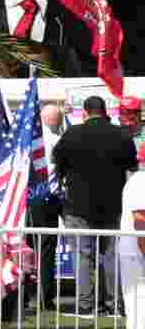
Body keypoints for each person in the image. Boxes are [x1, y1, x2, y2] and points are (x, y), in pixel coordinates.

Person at [53, 95, 137, 317]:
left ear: (85, 112)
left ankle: (85, 306)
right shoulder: (122, 135)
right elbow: (132, 167)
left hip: (77, 206)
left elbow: (57, 163)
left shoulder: (72, 134)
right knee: (111, 255)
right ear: (104, 111)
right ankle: (114, 304)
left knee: (82, 256)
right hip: (112, 205)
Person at [29, 103, 65, 311]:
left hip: (28, 198)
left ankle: (25, 296)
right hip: (46, 198)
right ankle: (44, 296)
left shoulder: (29, 140)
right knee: (46, 250)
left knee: (27, 248)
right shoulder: (57, 141)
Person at [118, 169, 145, 329]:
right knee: (139, 311)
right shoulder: (141, 181)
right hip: (138, 256)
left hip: (137, 254)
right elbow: (140, 220)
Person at [118, 97, 145, 171]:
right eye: (123, 113)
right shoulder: (115, 135)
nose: (129, 117)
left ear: (139, 114)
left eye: (132, 112)